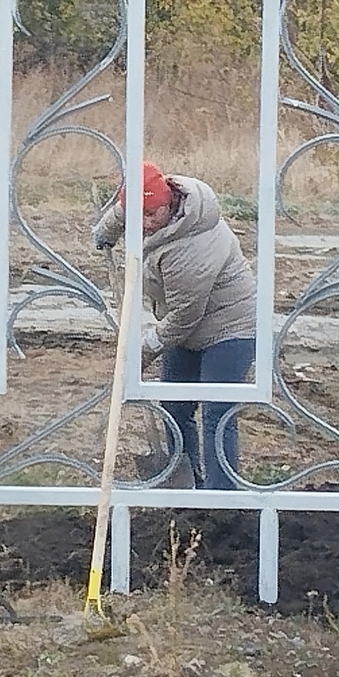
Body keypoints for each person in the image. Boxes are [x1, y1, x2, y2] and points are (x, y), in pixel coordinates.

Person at [93, 162, 256, 488]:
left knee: (216, 413)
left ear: (169, 203)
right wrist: (106, 231)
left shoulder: (193, 243)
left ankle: (221, 501)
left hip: (231, 328)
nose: (146, 223)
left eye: (153, 214)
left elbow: (184, 316)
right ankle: (188, 485)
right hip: (189, 329)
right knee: (174, 407)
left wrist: (145, 349)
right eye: (139, 215)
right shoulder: (145, 208)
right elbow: (127, 210)